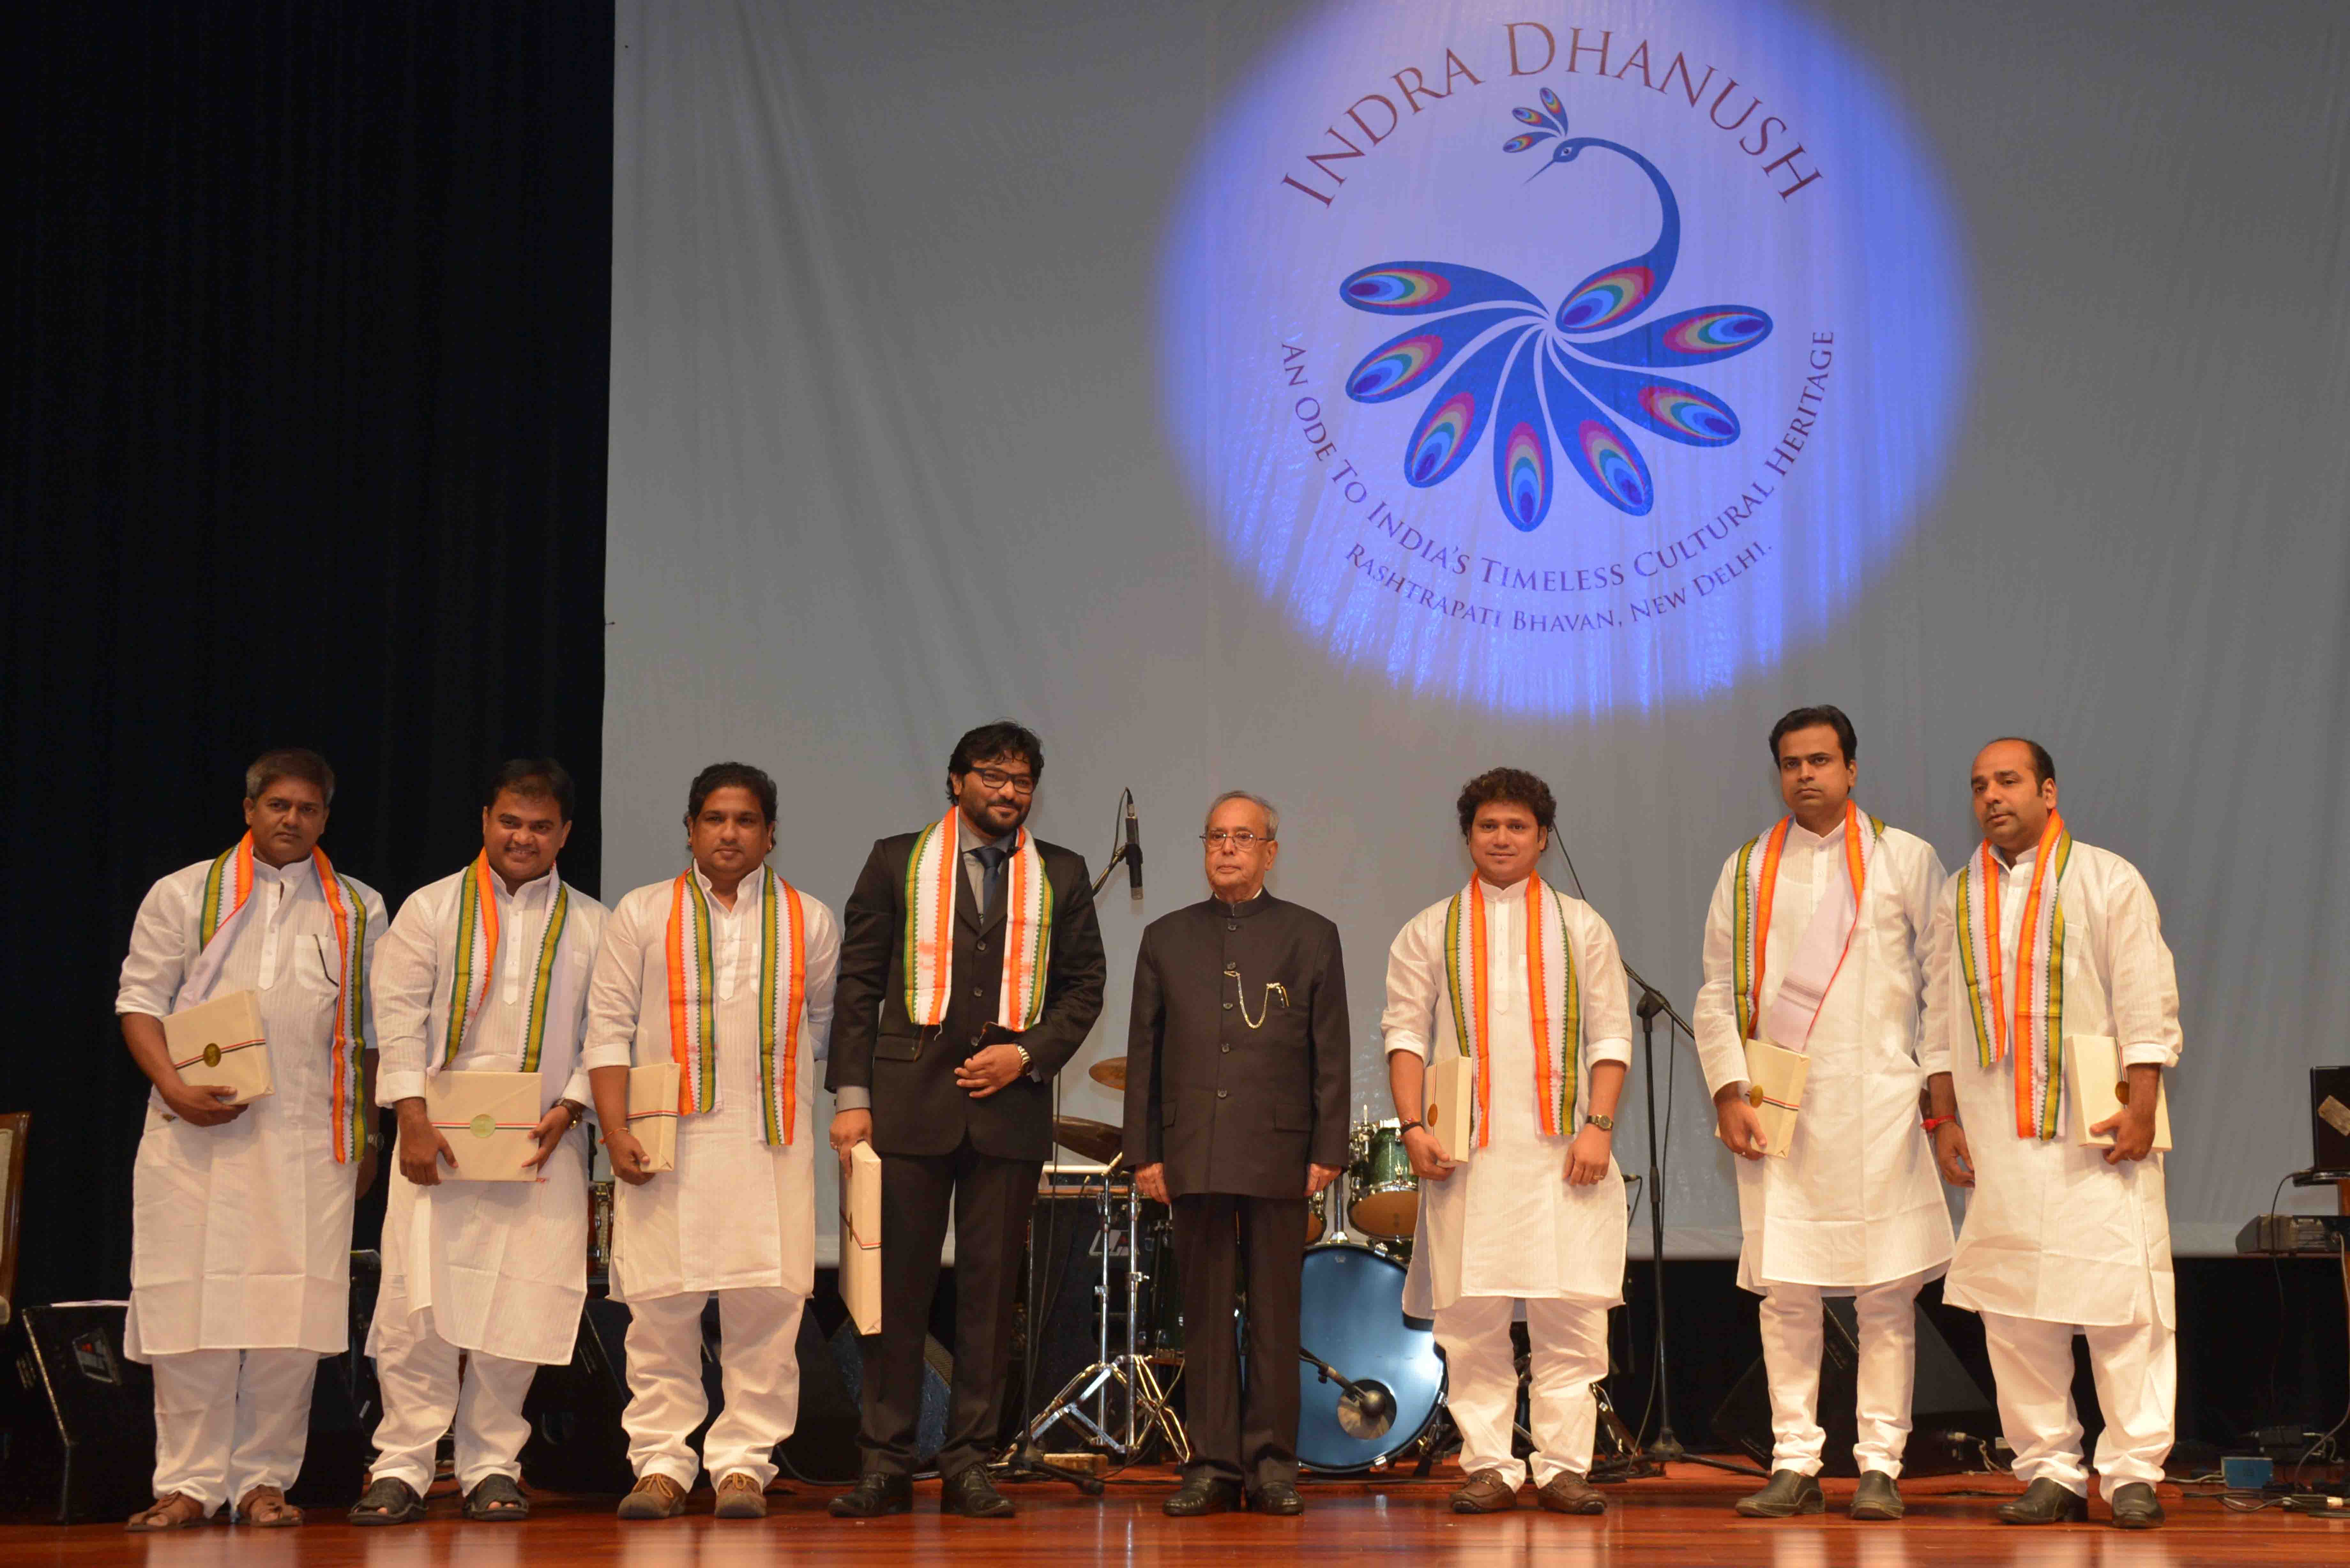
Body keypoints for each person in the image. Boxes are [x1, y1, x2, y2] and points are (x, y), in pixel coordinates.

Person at [825, 721, 1106, 1519]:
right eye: (991, 774)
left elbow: (1085, 983)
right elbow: (858, 984)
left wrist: (1030, 1054)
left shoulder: (1062, 871)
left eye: (1021, 779)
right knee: (897, 1291)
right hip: (908, 1105)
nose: (1007, 790)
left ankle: (969, 1461)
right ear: (956, 781)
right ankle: (884, 1461)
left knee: (988, 1296)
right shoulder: (894, 860)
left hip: (1009, 1111)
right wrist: (851, 1097)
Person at [1691, 706, 1951, 1520]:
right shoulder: (1743, 870)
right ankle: (1794, 1459)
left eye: (1820, 760)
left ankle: (1879, 1463)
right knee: (1789, 1295)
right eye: (1791, 763)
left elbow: (1944, 981)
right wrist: (1729, 1089)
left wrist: (1937, 1087)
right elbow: (1712, 991)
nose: (1805, 774)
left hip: (1877, 1100)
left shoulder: (1902, 857)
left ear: (1851, 768)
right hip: (1779, 1104)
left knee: (1884, 1296)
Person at [116, 749, 387, 1531]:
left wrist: (367, 1132)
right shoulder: (184, 892)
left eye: (307, 808)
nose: (291, 820)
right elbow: (139, 999)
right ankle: (189, 1482)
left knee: (291, 1314)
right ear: (249, 809)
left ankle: (264, 1479)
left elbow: (374, 1032)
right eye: (277, 805)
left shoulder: (362, 908)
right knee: (187, 1306)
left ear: (325, 818)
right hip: (192, 1130)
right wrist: (171, 1084)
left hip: (309, 1139)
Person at [1922, 738, 2179, 1530]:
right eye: (1977, 786)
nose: (1991, 796)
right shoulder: (1957, 895)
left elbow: (2144, 998)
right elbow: (1936, 1018)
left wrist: (2141, 1102)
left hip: (2092, 1125)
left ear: (2047, 788)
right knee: (2013, 1310)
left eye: (2006, 781)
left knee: (2119, 1302)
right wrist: (1942, 1115)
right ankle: (2049, 1467)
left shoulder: (2106, 877)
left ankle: (2131, 1470)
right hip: (1996, 1132)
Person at [349, 759, 606, 1525]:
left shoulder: (594, 922)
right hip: (438, 1140)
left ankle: (493, 1461)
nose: (522, 837)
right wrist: (412, 1119)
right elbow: (394, 1019)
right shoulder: (429, 910)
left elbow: (613, 1030)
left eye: (539, 825)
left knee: (518, 1301)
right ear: (485, 820)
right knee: (417, 1302)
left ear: (564, 832)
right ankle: (401, 1461)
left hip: (541, 1139)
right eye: (509, 821)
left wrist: (573, 1105)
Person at [582, 762, 840, 1520]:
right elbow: (607, 1030)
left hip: (768, 1145)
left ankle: (742, 1465)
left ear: (770, 832)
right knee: (662, 1305)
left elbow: (822, 1029)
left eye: (747, 820)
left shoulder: (809, 919)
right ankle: (661, 1460)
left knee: (765, 1306)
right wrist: (615, 1130)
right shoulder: (639, 912)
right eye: (716, 819)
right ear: (690, 827)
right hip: (665, 1142)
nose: (731, 833)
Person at [1381, 768, 1630, 1516]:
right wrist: (1414, 1125)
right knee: (1472, 1317)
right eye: (1488, 825)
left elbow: (1610, 1033)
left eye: (1516, 826)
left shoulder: (1581, 925)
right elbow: (1403, 1035)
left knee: (1569, 1316)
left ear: (1542, 838)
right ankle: (1487, 1462)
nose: (1500, 838)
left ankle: (1560, 1466)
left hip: (1566, 1153)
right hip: (1468, 1154)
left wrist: (1599, 1125)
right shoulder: (1429, 928)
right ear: (1467, 835)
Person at [1122, 791, 1347, 1517]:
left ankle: (1272, 1464)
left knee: (1277, 1315)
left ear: (1269, 852)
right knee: (1205, 1313)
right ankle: (1213, 1464)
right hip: (1192, 1152)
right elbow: (1144, 1055)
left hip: (1281, 1151)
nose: (1226, 848)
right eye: (1216, 835)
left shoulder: (1310, 935)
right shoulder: (1165, 937)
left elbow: (1330, 1053)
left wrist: (1328, 1143)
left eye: (1242, 837)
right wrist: (1144, 1152)